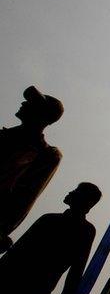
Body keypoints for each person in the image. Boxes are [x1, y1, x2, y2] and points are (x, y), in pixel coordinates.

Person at [0, 182, 101, 294]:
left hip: (17, 282)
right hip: (36, 288)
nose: (70, 192)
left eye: (75, 191)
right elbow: (76, 270)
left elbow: (17, 251)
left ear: (85, 201)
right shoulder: (84, 230)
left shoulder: (51, 220)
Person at [0, 86, 63, 252]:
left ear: (42, 116)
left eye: (31, 103)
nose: (24, 103)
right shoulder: (3, 137)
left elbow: (26, 197)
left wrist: (3, 229)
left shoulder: (46, 155)